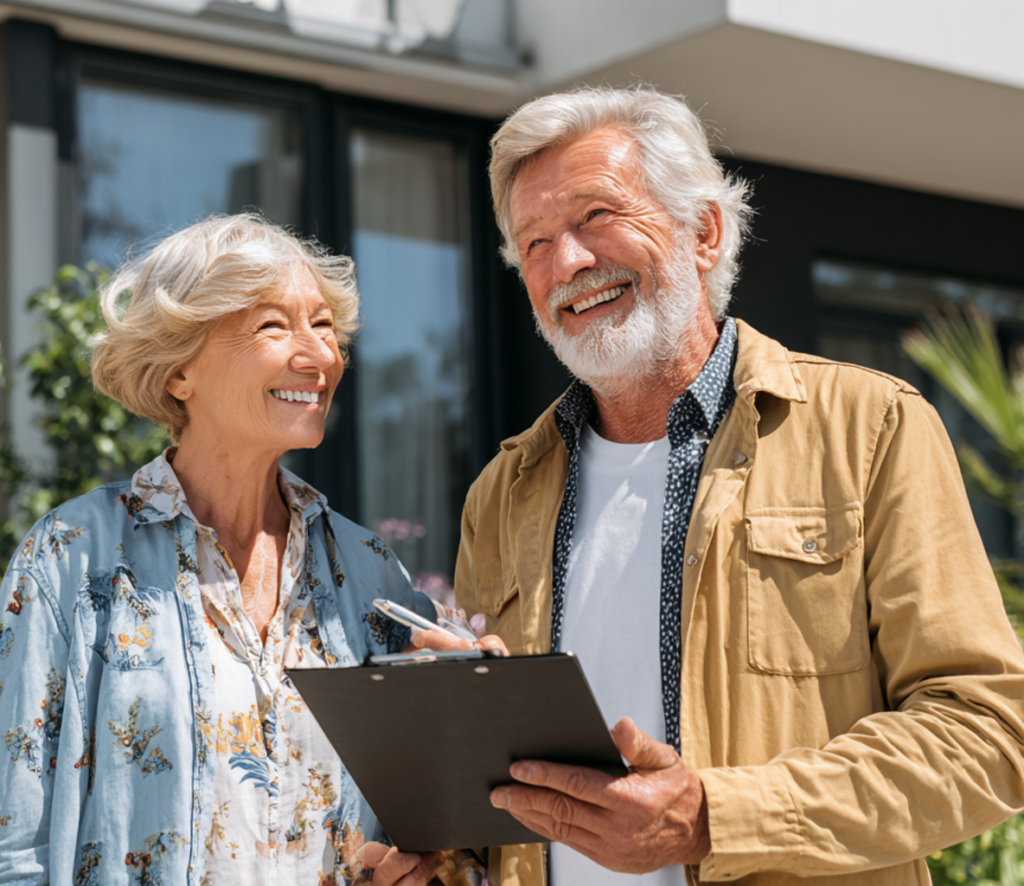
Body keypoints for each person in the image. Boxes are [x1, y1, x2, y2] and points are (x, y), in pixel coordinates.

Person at [454, 85, 1024, 886]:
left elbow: (988, 735)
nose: (568, 264)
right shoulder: (500, 493)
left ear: (704, 232)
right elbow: (500, 794)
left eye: (596, 216)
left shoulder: (871, 428)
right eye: (535, 242)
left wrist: (715, 819)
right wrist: (434, 861)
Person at [0, 214, 501, 886]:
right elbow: (15, 844)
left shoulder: (369, 570)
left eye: (323, 325)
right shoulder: (71, 556)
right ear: (178, 370)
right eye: (274, 326)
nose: (320, 355)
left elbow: (440, 827)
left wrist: (480, 717)